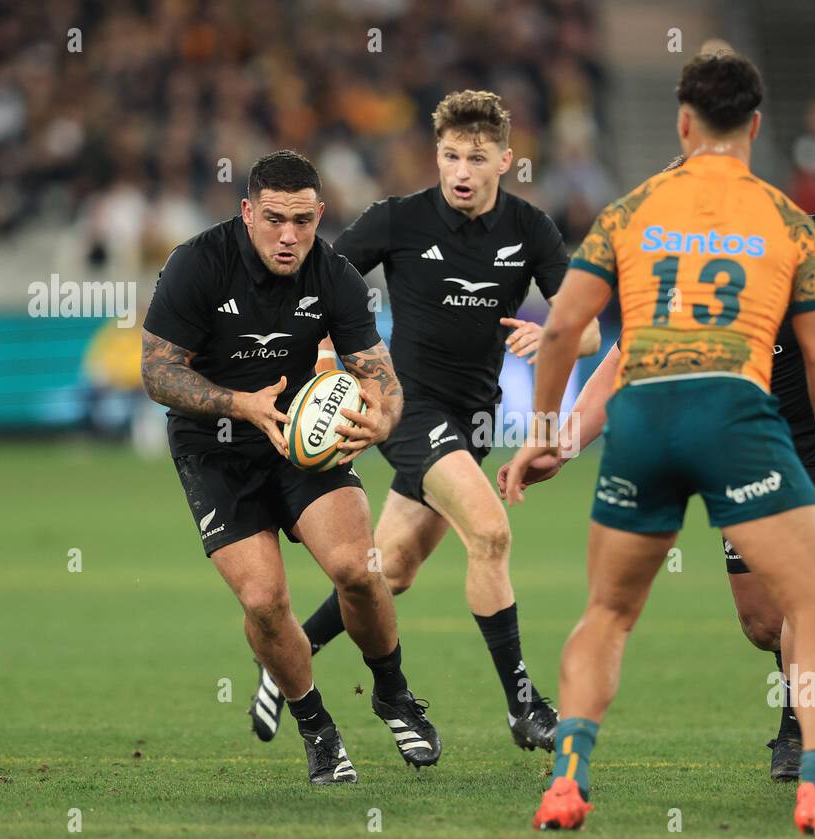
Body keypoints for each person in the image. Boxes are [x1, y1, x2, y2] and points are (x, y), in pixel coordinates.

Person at [503, 53, 815, 835]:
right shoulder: (788, 223)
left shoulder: (630, 210)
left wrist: (548, 433)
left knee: (608, 613)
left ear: (683, 124)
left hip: (645, 418)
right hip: (735, 418)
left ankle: (566, 783)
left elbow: (561, 330)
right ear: (755, 127)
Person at [250, 92, 600, 753]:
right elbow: (318, 284)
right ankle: (525, 707)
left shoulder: (532, 229)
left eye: (474, 157)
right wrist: (326, 356)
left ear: (505, 159)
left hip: (475, 419)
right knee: (490, 534)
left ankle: (285, 657)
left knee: (390, 571)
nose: (460, 170)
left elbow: (584, 331)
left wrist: (555, 333)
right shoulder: (400, 220)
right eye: (448, 156)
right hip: (406, 410)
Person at [141, 149, 441, 785]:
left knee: (357, 570)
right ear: (247, 212)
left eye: (302, 221)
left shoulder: (333, 276)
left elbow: (379, 373)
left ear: (319, 215)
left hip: (303, 444)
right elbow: (157, 370)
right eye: (274, 219)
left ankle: (392, 693)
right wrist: (237, 404)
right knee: (265, 601)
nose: (289, 236)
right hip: (215, 446)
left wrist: (383, 419)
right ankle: (318, 729)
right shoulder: (198, 263)